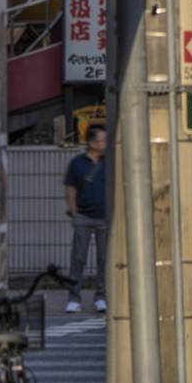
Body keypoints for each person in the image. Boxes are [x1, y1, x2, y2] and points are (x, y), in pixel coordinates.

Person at [63, 125, 110, 312]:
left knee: (104, 259)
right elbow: (70, 187)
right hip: (82, 215)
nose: (104, 143)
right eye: (101, 140)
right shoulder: (77, 162)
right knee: (78, 258)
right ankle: (74, 298)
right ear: (91, 142)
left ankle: (101, 297)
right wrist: (73, 210)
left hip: (105, 216)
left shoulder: (109, 161)